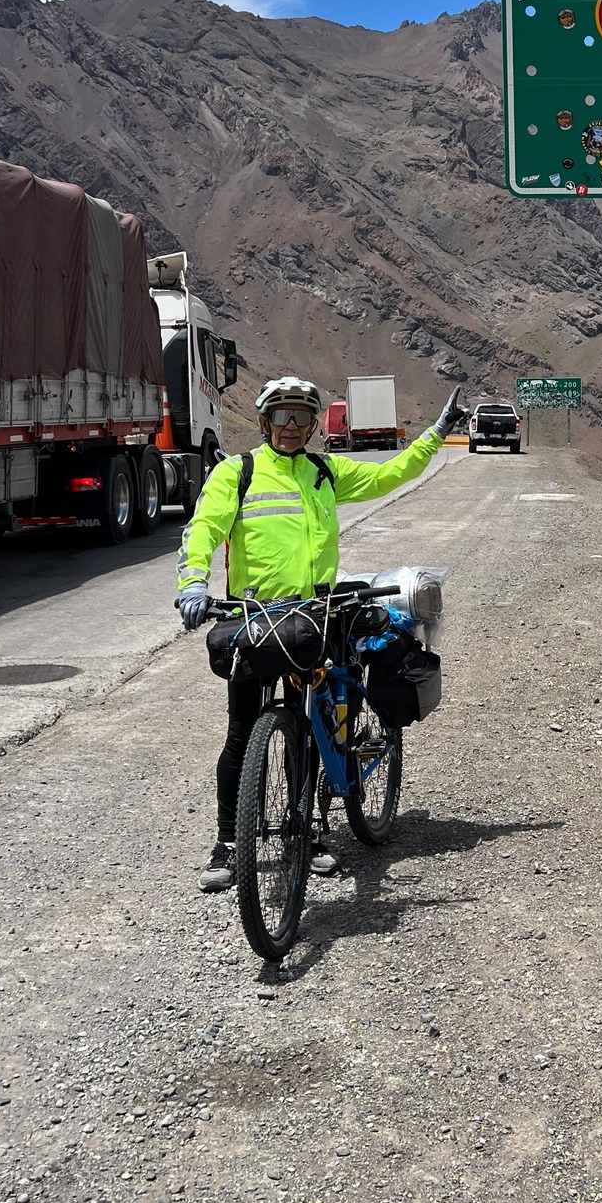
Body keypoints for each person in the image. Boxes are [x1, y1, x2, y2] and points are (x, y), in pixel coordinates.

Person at [176, 375, 468, 892]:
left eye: (302, 418)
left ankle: (306, 833)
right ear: (264, 422)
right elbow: (202, 530)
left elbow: (390, 475)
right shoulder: (236, 474)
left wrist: (434, 434)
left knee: (312, 729)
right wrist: (194, 582)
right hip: (256, 617)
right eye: (281, 417)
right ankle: (226, 842)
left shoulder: (324, 471)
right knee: (242, 734)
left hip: (319, 615)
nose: (291, 427)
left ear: (314, 426)